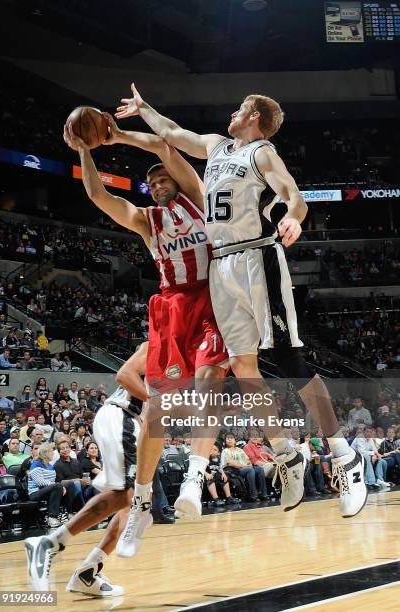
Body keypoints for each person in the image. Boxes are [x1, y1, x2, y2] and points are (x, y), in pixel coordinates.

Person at [116, 83, 367, 518]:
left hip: (257, 258)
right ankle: (288, 455)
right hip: (221, 267)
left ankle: (345, 456)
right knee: (244, 365)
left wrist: (293, 216)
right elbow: (171, 133)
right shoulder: (215, 147)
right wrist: (142, 111)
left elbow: (293, 194)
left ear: (253, 118)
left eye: (239, 109)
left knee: (289, 360)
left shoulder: (261, 152)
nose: (231, 113)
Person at [63, 115, 228, 555]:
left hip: (212, 296)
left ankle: (194, 477)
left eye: (161, 179)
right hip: (172, 305)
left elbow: (165, 148)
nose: (157, 184)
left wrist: (118, 135)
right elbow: (98, 195)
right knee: (157, 407)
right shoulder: (146, 220)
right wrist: (84, 148)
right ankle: (142, 499)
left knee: (212, 381)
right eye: (151, 183)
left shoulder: (197, 197)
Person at [25, 343, 147, 596]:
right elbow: (124, 374)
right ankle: (49, 543)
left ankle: (88, 572)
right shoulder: (160, 342)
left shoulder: (192, 367)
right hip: (123, 415)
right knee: (129, 496)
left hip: (139, 427)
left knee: (134, 506)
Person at [27, 442, 66, 528]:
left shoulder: (51, 466)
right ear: (45, 453)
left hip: (47, 491)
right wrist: (57, 485)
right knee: (58, 486)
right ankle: (52, 517)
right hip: (35, 493)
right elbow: (40, 482)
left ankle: (68, 513)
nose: (53, 453)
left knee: (68, 486)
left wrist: (59, 486)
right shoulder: (35, 464)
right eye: (51, 451)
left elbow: (51, 483)